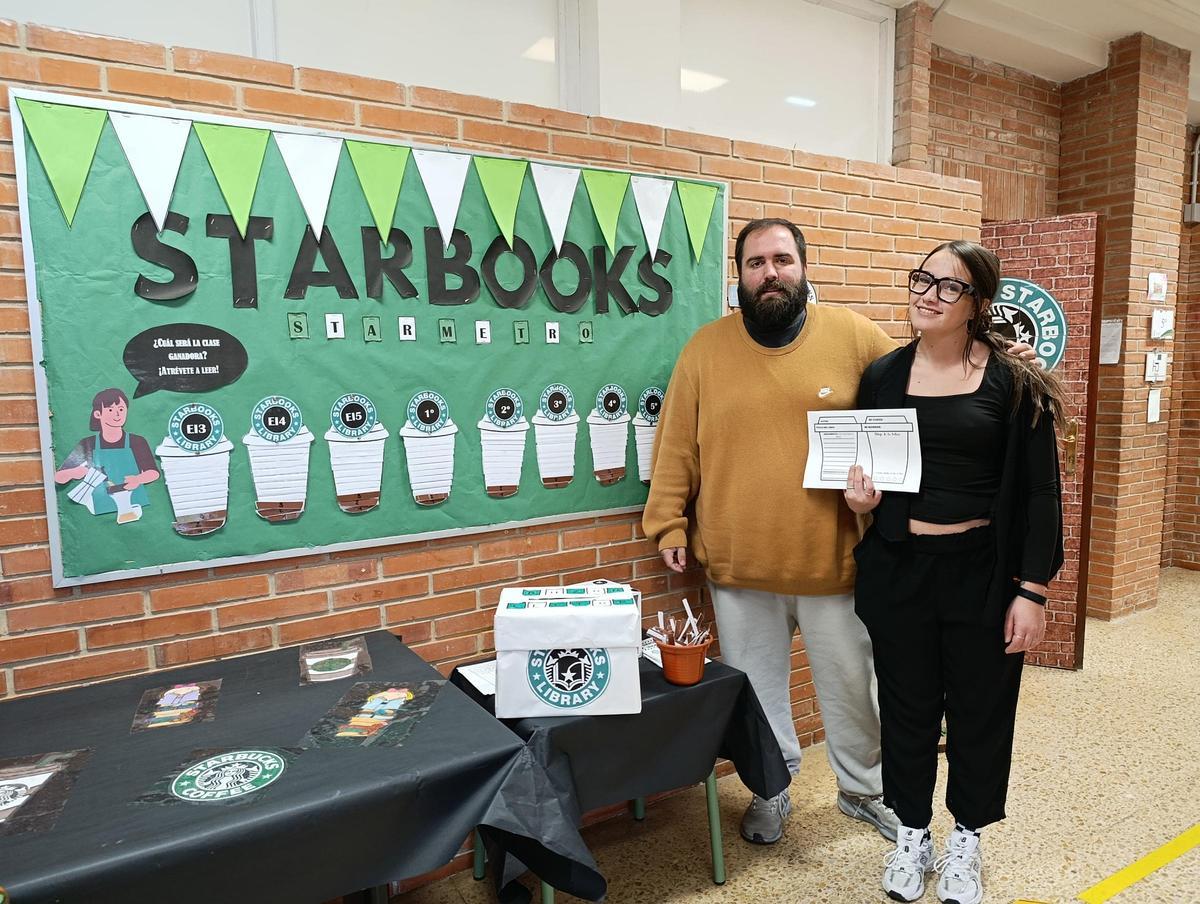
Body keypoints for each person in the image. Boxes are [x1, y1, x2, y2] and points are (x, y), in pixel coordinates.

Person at [642, 218, 902, 846]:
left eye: (782, 259)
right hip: (738, 565)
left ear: (805, 266)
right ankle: (772, 789)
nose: (771, 272)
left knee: (850, 691)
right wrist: (667, 522)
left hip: (833, 563)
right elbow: (676, 443)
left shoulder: (857, 337)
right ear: (739, 276)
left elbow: (908, 413)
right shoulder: (705, 349)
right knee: (755, 695)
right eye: (756, 263)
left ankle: (864, 791)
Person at [847, 241, 1064, 904]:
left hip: (984, 574)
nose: (928, 294)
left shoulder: (1013, 379)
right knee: (907, 713)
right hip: (900, 571)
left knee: (980, 712)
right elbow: (862, 472)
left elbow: (1041, 492)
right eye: (922, 279)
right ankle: (913, 833)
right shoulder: (883, 375)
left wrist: (1032, 589)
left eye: (949, 286)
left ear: (979, 304)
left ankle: (967, 838)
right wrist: (861, 502)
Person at [54, 387, 159, 516]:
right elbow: (59, 477)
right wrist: (74, 472)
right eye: (110, 410)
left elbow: (153, 472)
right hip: (101, 507)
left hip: (135, 506)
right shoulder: (87, 444)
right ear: (98, 414)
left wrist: (138, 479)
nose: (117, 414)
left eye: (121, 409)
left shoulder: (137, 441)